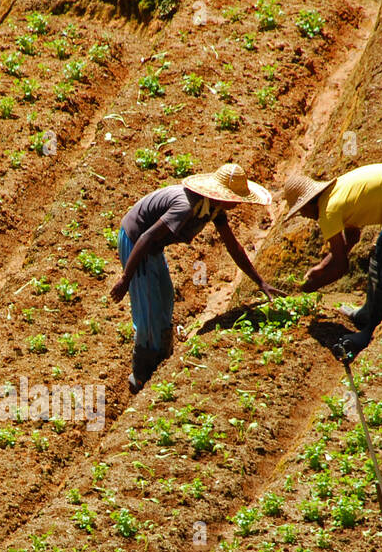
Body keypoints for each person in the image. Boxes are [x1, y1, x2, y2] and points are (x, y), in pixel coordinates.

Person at [111, 163, 278, 392]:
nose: (239, 203)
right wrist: (126, 279)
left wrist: (260, 282)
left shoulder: (214, 209)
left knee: (166, 299)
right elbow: (147, 237)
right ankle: (141, 376)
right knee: (148, 310)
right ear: (223, 196)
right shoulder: (186, 206)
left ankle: (162, 360)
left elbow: (233, 247)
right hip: (136, 242)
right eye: (237, 198)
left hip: (152, 248)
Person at [281, 162, 382, 357]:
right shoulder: (335, 194)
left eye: (301, 211)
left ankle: (371, 332)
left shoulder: (328, 212)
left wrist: (311, 287)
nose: (304, 216)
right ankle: (368, 311)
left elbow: (341, 266)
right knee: (380, 254)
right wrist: (321, 267)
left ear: (308, 203)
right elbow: (353, 237)